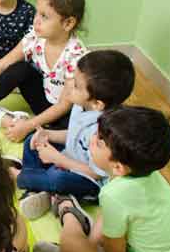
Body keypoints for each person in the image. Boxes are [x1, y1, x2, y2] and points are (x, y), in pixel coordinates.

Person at [33, 106, 170, 252]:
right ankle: (75, 223)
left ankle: (68, 211)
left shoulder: (116, 194)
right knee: (105, 226)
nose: (92, 138)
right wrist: (94, 244)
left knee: (70, 246)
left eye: (99, 142)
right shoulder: (146, 175)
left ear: (118, 167)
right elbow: (113, 216)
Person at [0, 0, 91, 142]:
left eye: (44, 16)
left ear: (68, 23)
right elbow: (2, 65)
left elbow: (64, 106)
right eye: (37, 13)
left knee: (66, 136)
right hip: (44, 100)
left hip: (64, 113)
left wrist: (28, 126)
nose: (36, 21)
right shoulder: (35, 37)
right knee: (20, 68)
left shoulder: (76, 56)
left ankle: (12, 121)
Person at [13, 50, 135, 217]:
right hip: (70, 157)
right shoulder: (82, 104)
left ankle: (23, 178)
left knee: (57, 178)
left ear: (98, 104)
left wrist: (58, 159)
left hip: (88, 180)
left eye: (76, 86)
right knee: (31, 141)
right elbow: (75, 136)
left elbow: (96, 173)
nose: (69, 86)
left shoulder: (105, 130)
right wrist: (49, 135)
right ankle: (38, 186)